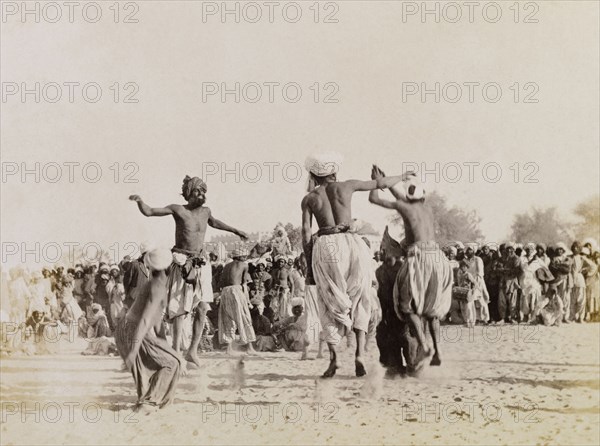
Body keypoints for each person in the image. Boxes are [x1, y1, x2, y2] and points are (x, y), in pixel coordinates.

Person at [301, 154, 410, 378]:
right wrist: (402, 176)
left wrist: (310, 266)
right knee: (361, 297)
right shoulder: (347, 186)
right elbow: (380, 183)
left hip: (326, 244)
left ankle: (335, 359)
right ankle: (359, 354)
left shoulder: (310, 198)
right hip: (352, 243)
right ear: (334, 172)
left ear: (314, 174)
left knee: (329, 300)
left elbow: (305, 232)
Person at [129, 175, 248, 367]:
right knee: (179, 310)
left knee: (202, 308)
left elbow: (216, 223)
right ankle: (176, 351)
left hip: (201, 263)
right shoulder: (178, 209)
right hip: (181, 262)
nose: (201, 194)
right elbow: (150, 212)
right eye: (197, 191)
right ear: (188, 194)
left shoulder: (206, 211)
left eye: (203, 191)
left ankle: (192, 351)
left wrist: (237, 231)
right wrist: (140, 201)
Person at [368, 167, 452, 370]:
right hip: (438, 257)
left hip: (420, 256)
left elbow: (374, 199)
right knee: (432, 310)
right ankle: (437, 350)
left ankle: (424, 345)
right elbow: (401, 195)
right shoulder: (427, 209)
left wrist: (376, 182)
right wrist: (388, 179)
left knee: (407, 307)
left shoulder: (404, 208)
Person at [115, 247, 183, 414]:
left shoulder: (154, 284)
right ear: (169, 267)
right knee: (173, 363)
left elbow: (156, 321)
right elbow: (145, 320)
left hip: (128, 329)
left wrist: (166, 346)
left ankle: (147, 400)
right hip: (133, 330)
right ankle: (148, 403)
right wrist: (133, 351)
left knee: (169, 362)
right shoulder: (158, 287)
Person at [218, 248, 256, 355]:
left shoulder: (226, 266)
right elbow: (244, 282)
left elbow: (221, 282)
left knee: (227, 319)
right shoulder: (244, 265)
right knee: (243, 317)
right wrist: (247, 299)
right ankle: (249, 347)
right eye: (244, 256)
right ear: (240, 257)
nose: (245, 258)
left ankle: (228, 348)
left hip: (225, 292)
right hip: (236, 290)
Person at [498, 243, 521, 324]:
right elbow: (497, 269)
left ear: (514, 249)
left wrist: (504, 270)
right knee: (502, 301)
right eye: (507, 249)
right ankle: (502, 318)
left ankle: (513, 317)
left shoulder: (516, 258)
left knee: (513, 301)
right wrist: (504, 270)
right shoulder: (503, 258)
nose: (509, 250)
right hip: (503, 281)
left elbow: (515, 271)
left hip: (512, 282)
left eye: (511, 248)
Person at [549, 242, 572, 323]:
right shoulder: (554, 259)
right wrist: (561, 267)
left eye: (561, 250)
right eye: (558, 249)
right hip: (556, 280)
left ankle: (565, 317)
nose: (560, 251)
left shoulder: (567, 258)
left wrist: (560, 266)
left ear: (563, 250)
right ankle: (557, 317)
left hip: (565, 279)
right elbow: (552, 268)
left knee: (565, 298)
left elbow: (567, 269)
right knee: (557, 297)